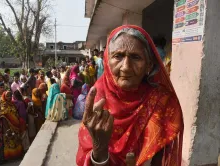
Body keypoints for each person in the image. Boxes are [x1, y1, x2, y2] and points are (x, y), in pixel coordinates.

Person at [76, 25, 184, 166]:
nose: (126, 67)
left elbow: (162, 159)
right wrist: (99, 148)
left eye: (136, 57)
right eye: (118, 56)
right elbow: (85, 155)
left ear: (149, 65)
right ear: (107, 61)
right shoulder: (97, 97)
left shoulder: (162, 102)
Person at [0, 91, 24, 160]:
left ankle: (18, 154)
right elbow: (3, 118)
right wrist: (7, 129)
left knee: (17, 140)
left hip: (16, 125)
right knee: (10, 141)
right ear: (4, 97)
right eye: (7, 96)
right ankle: (11, 157)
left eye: (10, 95)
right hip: (9, 126)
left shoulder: (12, 103)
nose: (9, 97)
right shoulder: (3, 105)